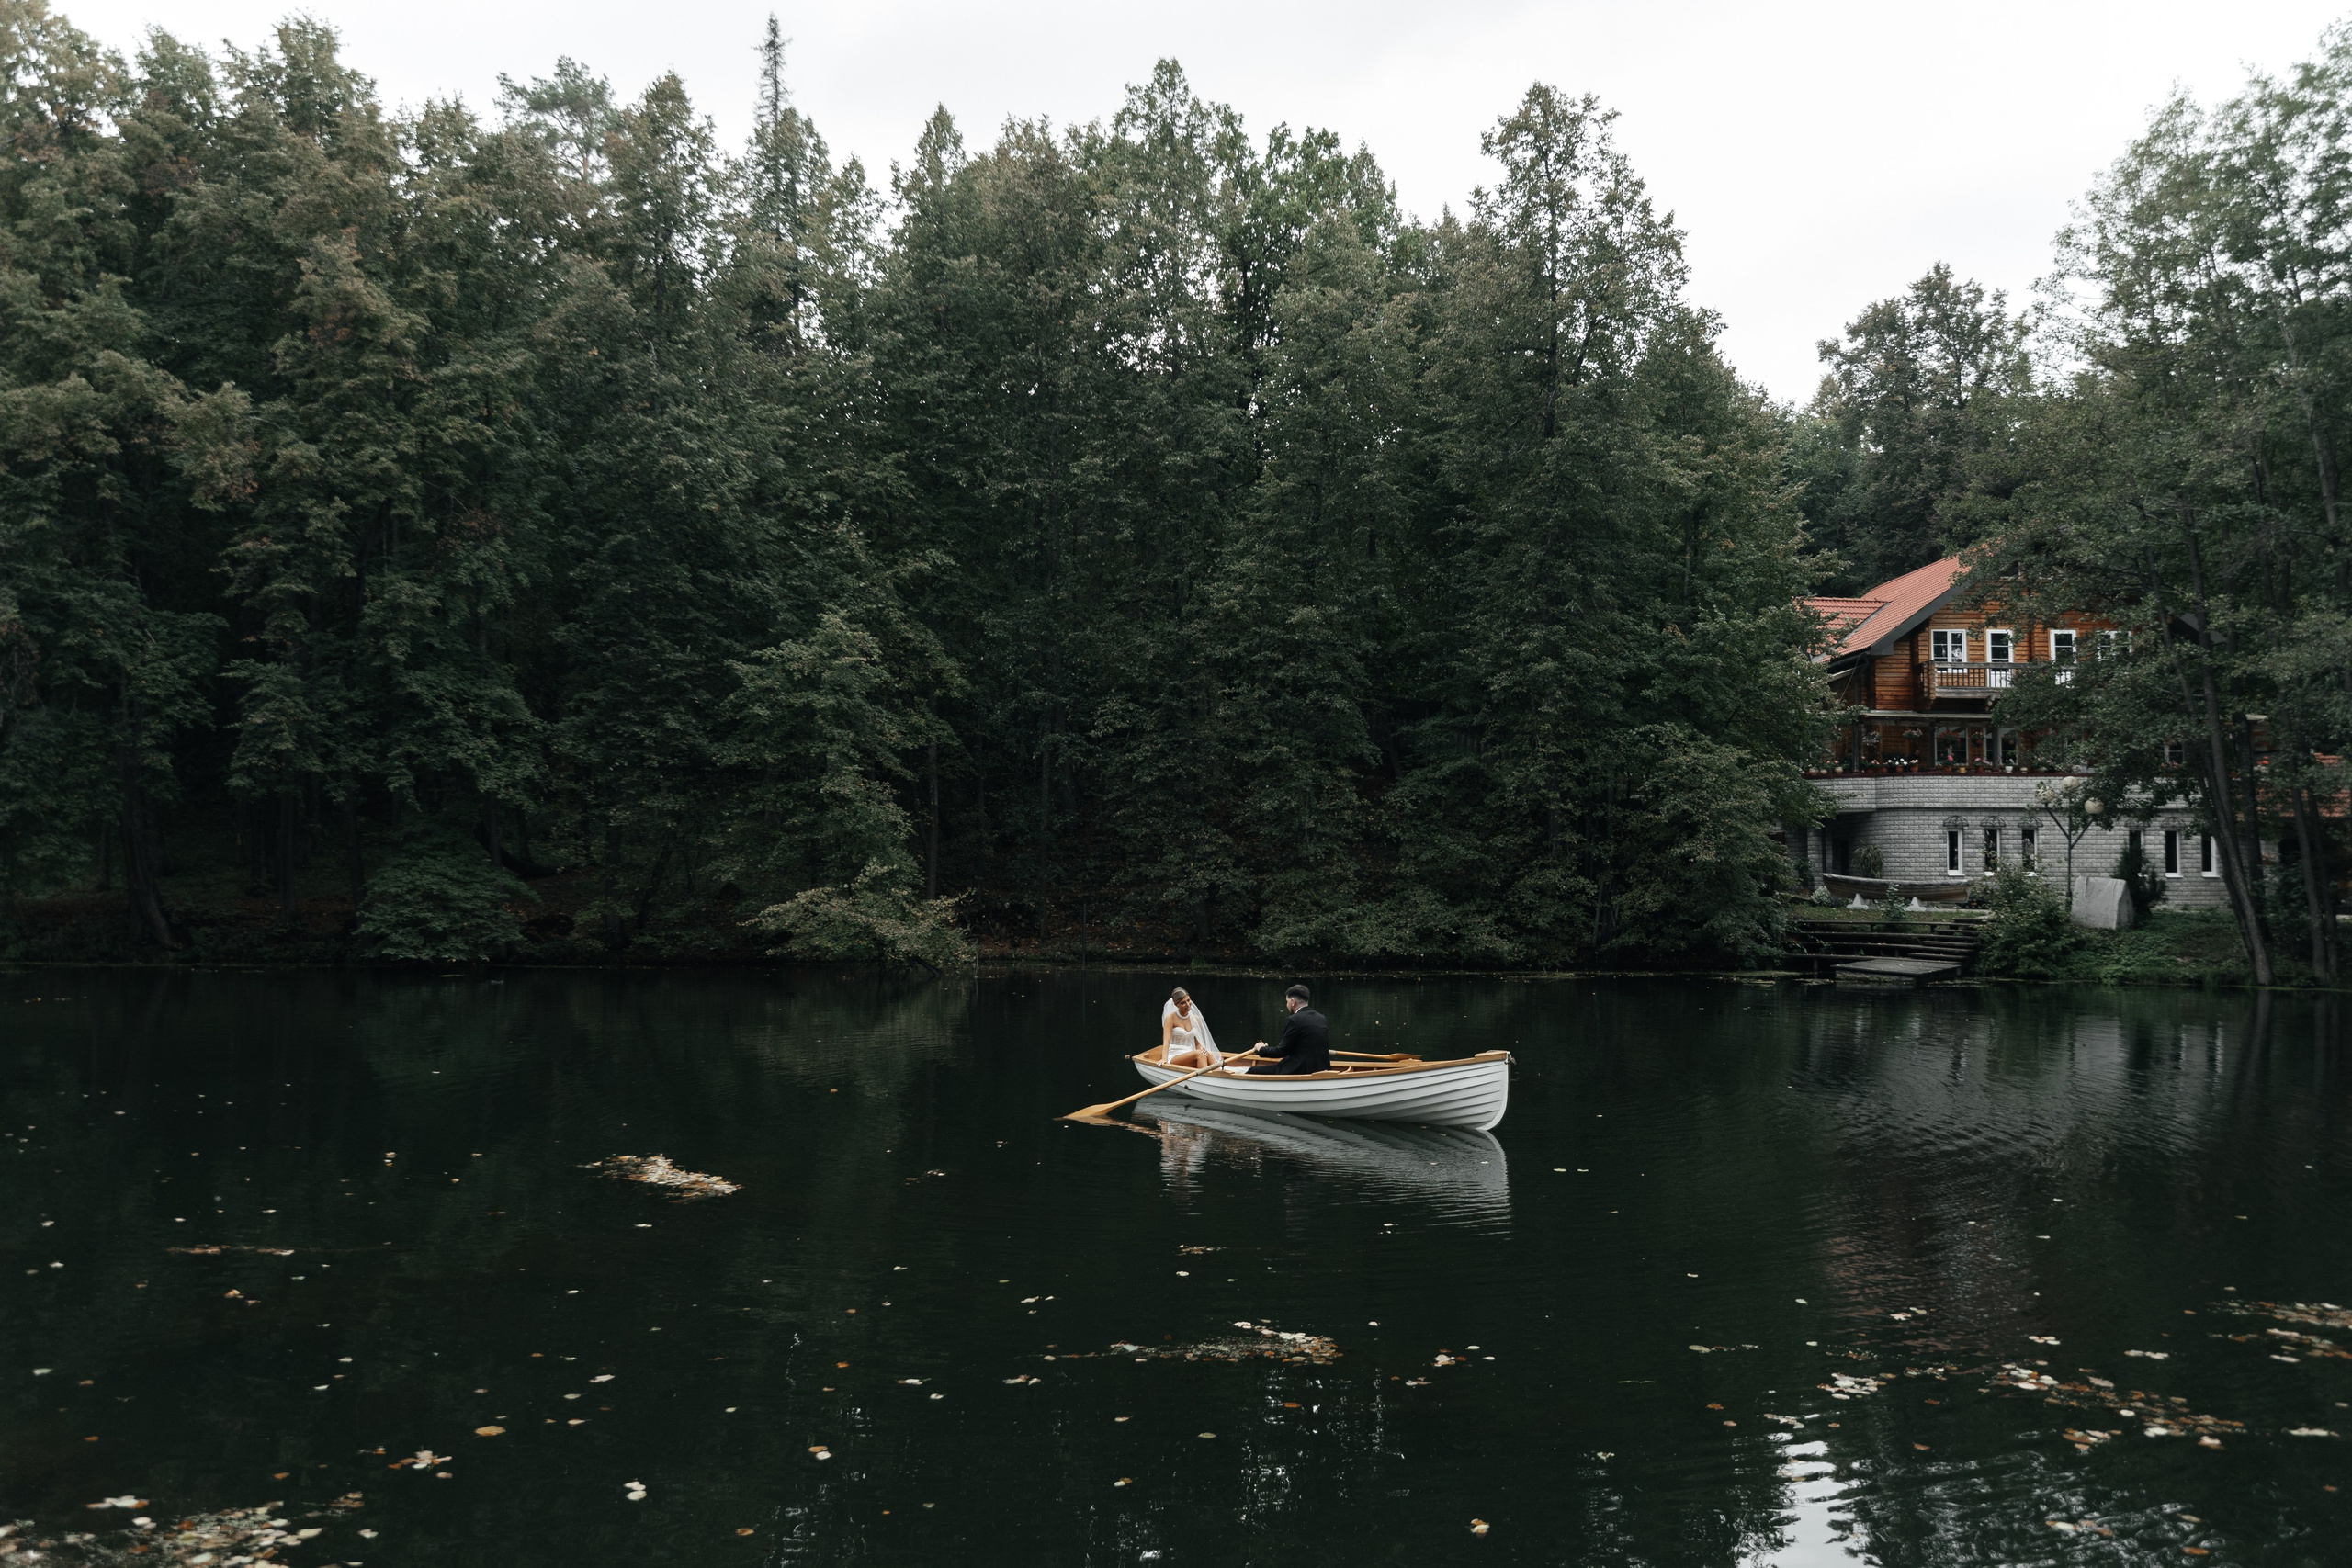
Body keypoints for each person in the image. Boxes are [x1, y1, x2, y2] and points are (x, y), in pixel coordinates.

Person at [1245, 984, 1329, 1075]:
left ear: (1293, 1002)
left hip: (1298, 1070)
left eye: (1287, 1001)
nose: (1287, 1005)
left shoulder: (1293, 1020)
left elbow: (1282, 1051)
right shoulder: (1321, 1018)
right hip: (1322, 1069)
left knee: (1253, 1070)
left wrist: (1261, 1049)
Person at [1159, 987, 1222, 1068]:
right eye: (1183, 1003)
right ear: (1176, 1005)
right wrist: (1164, 1059)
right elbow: (1166, 1041)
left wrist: (1202, 1049)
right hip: (1174, 1055)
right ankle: (1203, 1079)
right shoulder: (1170, 1018)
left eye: (1188, 1000)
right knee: (1200, 1054)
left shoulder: (1196, 1019)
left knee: (1208, 1054)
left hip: (1189, 1053)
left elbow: (1197, 1043)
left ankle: (1218, 1074)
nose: (1187, 1004)